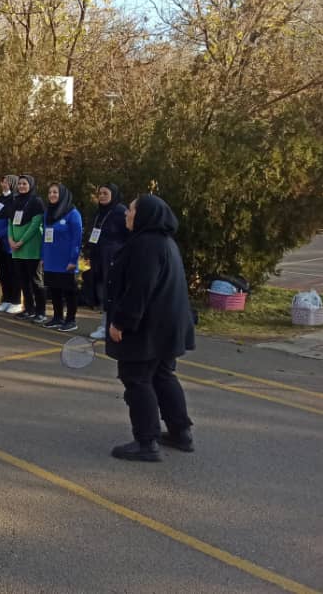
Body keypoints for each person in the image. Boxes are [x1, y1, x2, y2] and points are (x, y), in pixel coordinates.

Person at [106, 194, 196, 461]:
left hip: (149, 328)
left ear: (145, 214)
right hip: (167, 326)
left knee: (136, 378)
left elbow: (139, 290)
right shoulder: (164, 241)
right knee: (163, 375)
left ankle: (146, 441)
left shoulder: (145, 244)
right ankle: (180, 432)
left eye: (131, 210)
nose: (127, 214)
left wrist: (121, 322)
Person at [84, 183, 129, 340]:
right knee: (101, 291)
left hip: (113, 258)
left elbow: (128, 235)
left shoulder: (120, 211)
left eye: (105, 193)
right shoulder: (99, 212)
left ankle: (108, 326)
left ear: (113, 195)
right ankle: (105, 325)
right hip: (99, 258)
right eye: (100, 193)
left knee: (111, 293)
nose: (102, 196)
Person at [40, 183, 83, 332]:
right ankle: (57, 317)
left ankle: (71, 320)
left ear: (63, 194)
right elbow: (44, 236)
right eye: (50, 192)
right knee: (54, 290)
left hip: (66, 261)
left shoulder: (73, 213)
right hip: (51, 259)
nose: (52, 195)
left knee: (69, 291)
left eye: (55, 192)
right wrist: (43, 256)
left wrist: (73, 259)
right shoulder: (48, 213)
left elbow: (77, 239)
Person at [8, 174, 47, 324]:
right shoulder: (15, 201)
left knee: (36, 281)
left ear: (31, 185)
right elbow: (10, 222)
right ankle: (29, 309)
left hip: (31, 248)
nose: (21, 186)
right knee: (23, 281)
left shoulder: (36, 201)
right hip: (17, 249)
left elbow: (36, 224)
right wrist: (11, 239)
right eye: (20, 184)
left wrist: (22, 241)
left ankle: (41, 311)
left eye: (25, 183)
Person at [0, 174, 23, 313]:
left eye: (7, 182)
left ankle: (16, 301)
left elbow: (12, 223)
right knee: (2, 272)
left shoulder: (15, 200)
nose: (4, 184)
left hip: (8, 242)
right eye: (2, 181)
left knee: (13, 271)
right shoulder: (0, 199)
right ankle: (6, 299)